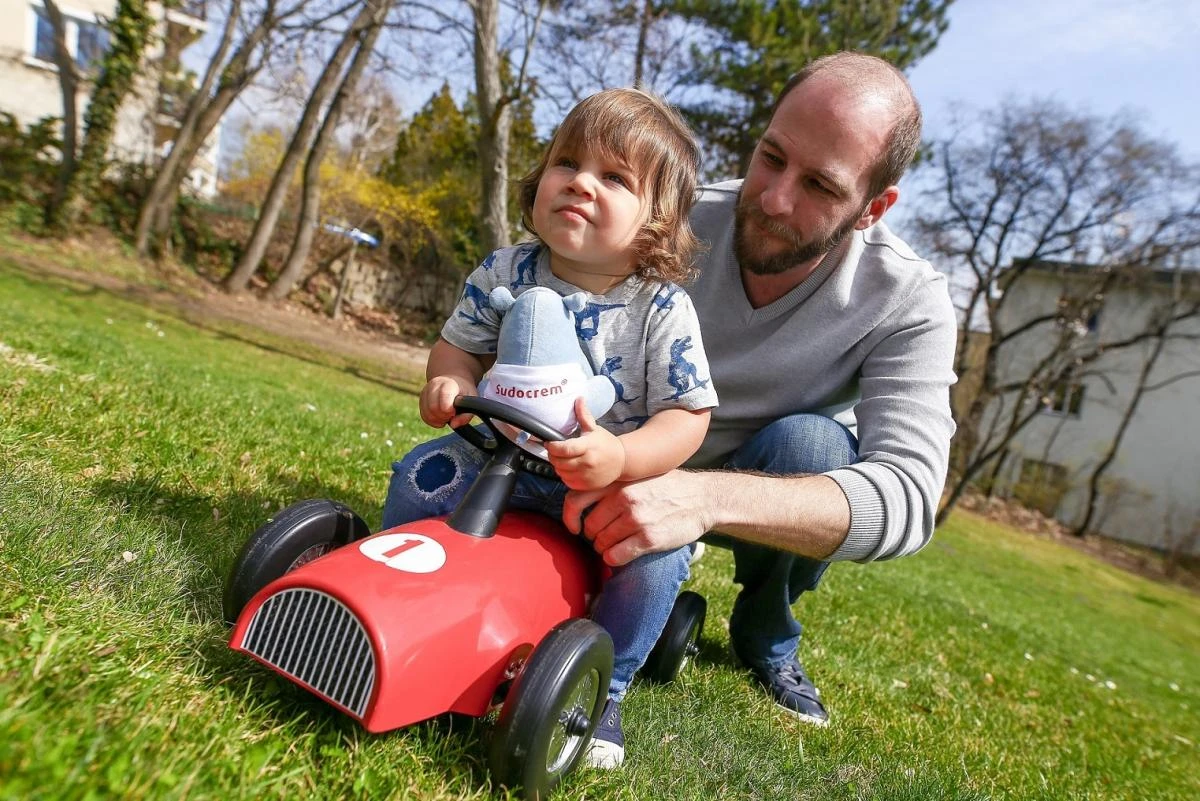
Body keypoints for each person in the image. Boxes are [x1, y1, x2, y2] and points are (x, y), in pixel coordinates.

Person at [560, 52, 958, 732]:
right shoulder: (665, 218)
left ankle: (765, 631)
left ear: (873, 208)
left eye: (821, 188)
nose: (774, 198)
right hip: (621, 453)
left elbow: (910, 495)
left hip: (759, 475)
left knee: (816, 443)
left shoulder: (908, 301)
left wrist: (701, 496)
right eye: (771, 156)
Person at [381, 88, 719, 768]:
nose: (580, 184)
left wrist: (620, 455)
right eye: (568, 163)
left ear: (658, 222)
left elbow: (689, 415)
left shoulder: (661, 309)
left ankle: (608, 685)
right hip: (498, 455)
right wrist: (452, 382)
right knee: (422, 476)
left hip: (600, 485)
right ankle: (402, 598)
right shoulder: (506, 269)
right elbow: (457, 347)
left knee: (654, 558)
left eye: (614, 178)